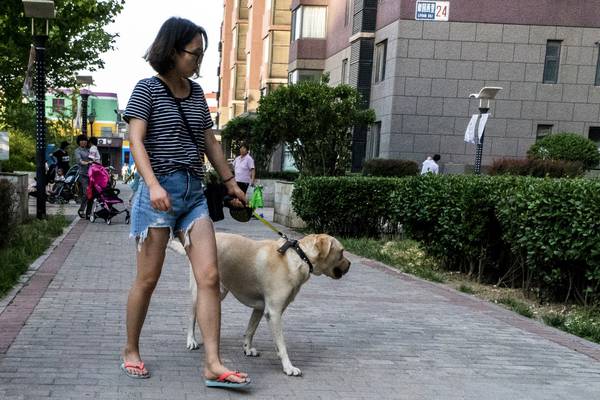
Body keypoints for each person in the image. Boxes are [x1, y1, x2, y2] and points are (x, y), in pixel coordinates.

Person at [120, 17, 250, 387]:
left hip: (193, 194)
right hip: (156, 194)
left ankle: (213, 362)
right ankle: (131, 349)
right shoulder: (146, 90)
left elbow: (209, 143)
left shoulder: (196, 95)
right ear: (173, 51)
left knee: (210, 277)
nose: (199, 61)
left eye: (202, 54)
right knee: (148, 279)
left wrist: (231, 184)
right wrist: (152, 184)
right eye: (195, 53)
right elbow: (137, 141)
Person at [74, 134, 93, 218]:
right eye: (81, 140)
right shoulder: (77, 151)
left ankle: (88, 213)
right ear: (79, 142)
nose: (83, 142)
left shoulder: (89, 150)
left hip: (91, 175)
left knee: (92, 194)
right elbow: (79, 161)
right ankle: (81, 209)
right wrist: (87, 162)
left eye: (85, 140)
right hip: (83, 175)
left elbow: (94, 159)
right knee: (86, 193)